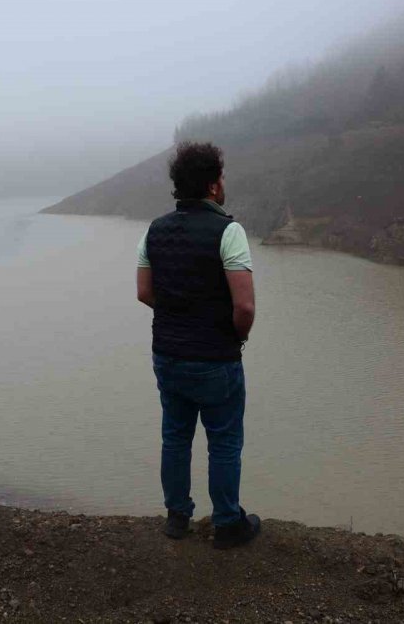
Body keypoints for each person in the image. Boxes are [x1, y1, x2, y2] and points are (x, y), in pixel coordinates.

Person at [136, 141, 261, 549]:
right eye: (220, 178)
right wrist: (234, 335)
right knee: (224, 440)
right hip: (215, 358)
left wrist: (179, 315)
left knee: (175, 436)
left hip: (168, 355)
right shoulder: (229, 231)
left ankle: (177, 517)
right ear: (211, 186)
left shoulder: (154, 230)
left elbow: (144, 292)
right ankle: (227, 524)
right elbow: (244, 306)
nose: (223, 185)